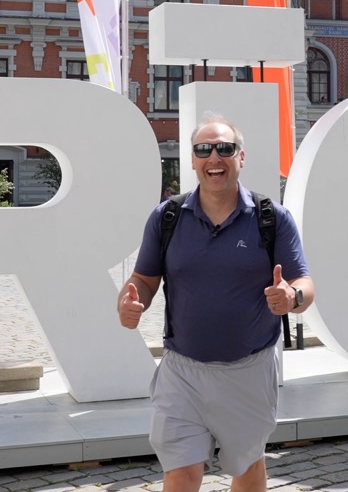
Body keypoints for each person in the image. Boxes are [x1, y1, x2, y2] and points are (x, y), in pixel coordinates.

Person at [117, 115, 313, 492]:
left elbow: (305, 283)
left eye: (225, 148)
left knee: (247, 468)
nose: (214, 157)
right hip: (182, 372)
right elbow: (143, 279)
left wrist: (292, 296)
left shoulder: (271, 218)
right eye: (203, 149)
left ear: (241, 157)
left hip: (249, 372)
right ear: (192, 160)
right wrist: (130, 301)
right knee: (181, 472)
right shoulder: (167, 217)